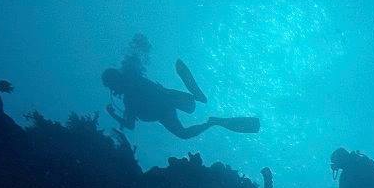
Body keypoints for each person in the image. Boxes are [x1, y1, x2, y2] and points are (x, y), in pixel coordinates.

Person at [102, 57, 259, 140]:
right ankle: (212, 120)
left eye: (111, 85)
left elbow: (129, 124)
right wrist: (114, 114)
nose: (113, 90)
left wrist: (112, 114)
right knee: (184, 132)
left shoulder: (131, 86)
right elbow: (130, 125)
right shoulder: (129, 95)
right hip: (163, 111)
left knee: (186, 111)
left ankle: (198, 99)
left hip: (164, 102)